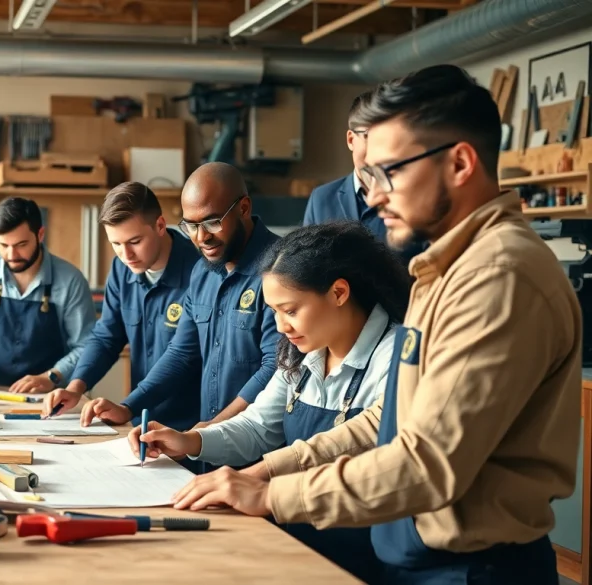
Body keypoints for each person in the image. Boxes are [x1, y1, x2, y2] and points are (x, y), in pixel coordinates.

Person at [168, 65, 581, 585]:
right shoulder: (445, 269)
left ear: (459, 163)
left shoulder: (496, 276)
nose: (374, 195)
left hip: (473, 570)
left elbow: (427, 461)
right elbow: (390, 420)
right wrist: (266, 470)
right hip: (420, 560)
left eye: (391, 172)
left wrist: (275, 495)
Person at [129, 220, 411, 583]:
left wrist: (258, 476)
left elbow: (368, 443)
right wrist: (190, 441)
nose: (281, 327)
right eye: (274, 312)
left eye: (291, 310)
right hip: (297, 543)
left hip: (364, 555)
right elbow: (259, 425)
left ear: (339, 292)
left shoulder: (398, 355)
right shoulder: (302, 352)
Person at [80, 162, 280, 431]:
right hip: (208, 442)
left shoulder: (281, 268)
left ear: (244, 208)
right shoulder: (203, 273)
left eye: (212, 222)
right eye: (191, 226)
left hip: (258, 446)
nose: (201, 237)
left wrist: (211, 429)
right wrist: (129, 407)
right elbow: (181, 353)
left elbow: (276, 367)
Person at [42, 183, 201, 431]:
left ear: (160, 226)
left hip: (191, 425)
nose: (126, 255)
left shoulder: (199, 272)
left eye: (135, 241)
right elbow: (107, 337)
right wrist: (76, 386)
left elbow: (183, 356)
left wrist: (128, 406)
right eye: (116, 244)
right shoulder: (121, 270)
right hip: (140, 419)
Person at [0, 197, 96, 392]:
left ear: (40, 234)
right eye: (3, 245)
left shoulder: (70, 281)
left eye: (21, 244)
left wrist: (52, 376)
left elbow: (86, 346)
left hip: (47, 396)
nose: (11, 255)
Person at [302, 91, 425, 265]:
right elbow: (306, 267)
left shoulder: (414, 197)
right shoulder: (321, 199)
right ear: (351, 140)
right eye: (369, 136)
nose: (380, 148)